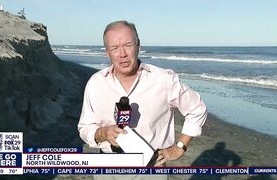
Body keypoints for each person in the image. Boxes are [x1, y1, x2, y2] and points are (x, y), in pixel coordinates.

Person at [78, 20, 207, 167]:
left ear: (138, 46)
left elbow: (197, 108)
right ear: (107, 53)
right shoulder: (96, 83)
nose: (122, 54)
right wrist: (102, 133)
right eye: (114, 48)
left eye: (128, 45)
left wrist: (179, 147)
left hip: (151, 166)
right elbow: (84, 127)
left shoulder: (163, 79)